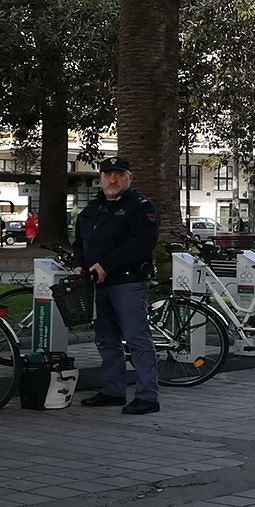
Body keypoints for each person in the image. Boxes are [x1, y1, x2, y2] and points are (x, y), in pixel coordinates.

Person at [72, 155, 160, 415]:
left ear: (129, 179)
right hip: (96, 284)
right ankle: (113, 390)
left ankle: (148, 396)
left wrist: (106, 265)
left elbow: (140, 244)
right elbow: (79, 243)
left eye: (120, 174)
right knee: (105, 339)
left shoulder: (141, 207)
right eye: (108, 174)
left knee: (137, 338)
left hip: (128, 282)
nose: (113, 179)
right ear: (100, 179)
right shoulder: (91, 210)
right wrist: (79, 264)